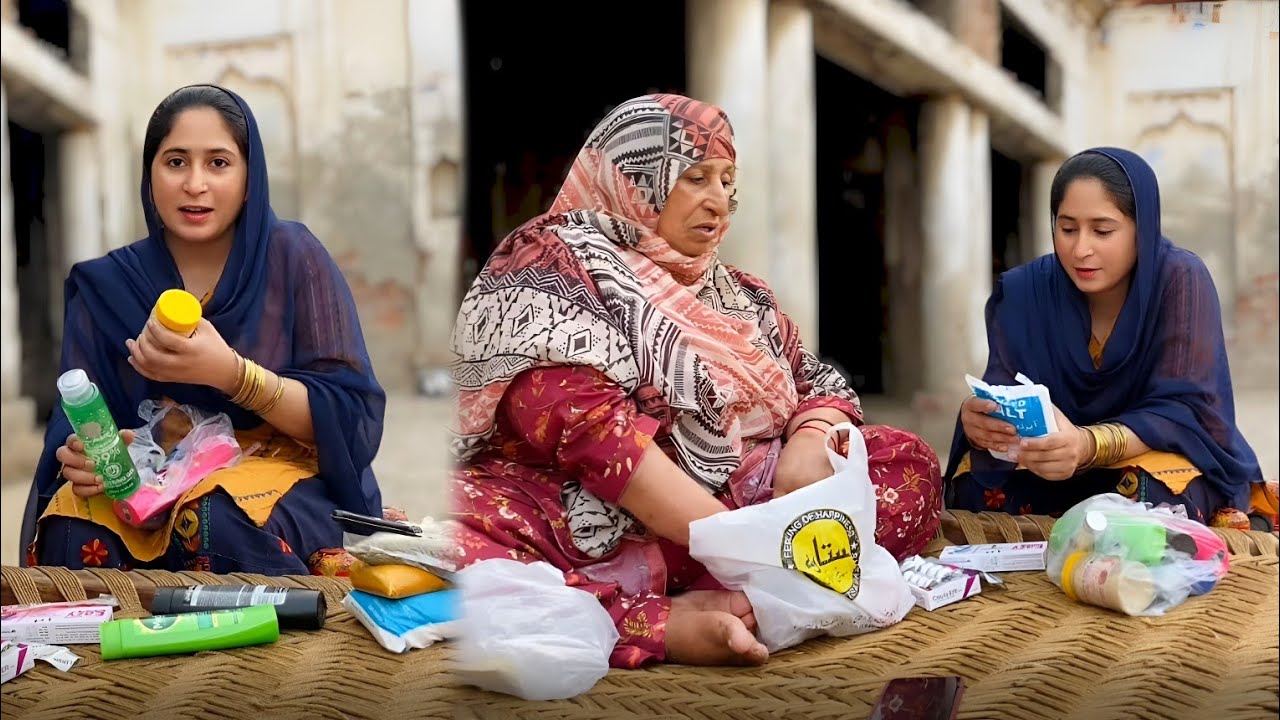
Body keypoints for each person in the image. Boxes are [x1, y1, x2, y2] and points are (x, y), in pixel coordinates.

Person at [450, 95, 943, 668]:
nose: (720, 200)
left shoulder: (738, 292)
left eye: (727, 180)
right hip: (595, 513)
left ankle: (727, 592)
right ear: (633, 180)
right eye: (696, 177)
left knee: (903, 463)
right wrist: (744, 543)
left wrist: (810, 441)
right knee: (466, 548)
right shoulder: (549, 263)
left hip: (745, 507)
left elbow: (812, 377)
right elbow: (590, 433)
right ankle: (659, 619)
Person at [20, 85, 386, 575]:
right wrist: (82, 455)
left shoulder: (293, 258)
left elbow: (349, 418)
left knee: (211, 518)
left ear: (250, 177)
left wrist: (232, 375)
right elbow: (80, 412)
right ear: (150, 175)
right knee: (73, 530)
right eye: (176, 162)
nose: (195, 184)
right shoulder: (106, 284)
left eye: (218, 163)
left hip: (275, 473)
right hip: (149, 477)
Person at [946, 147, 1276, 530]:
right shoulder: (1025, 291)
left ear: (1142, 229)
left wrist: (1088, 444)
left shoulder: (1180, 280)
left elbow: (1185, 411)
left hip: (1145, 456)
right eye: (1067, 229)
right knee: (975, 486)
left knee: (1155, 499)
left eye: (1102, 231)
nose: (1081, 249)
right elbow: (1005, 392)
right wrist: (982, 423)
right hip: (1053, 468)